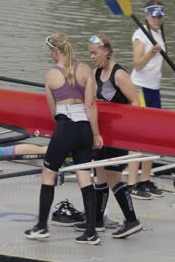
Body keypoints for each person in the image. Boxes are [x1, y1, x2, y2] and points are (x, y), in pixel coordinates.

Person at [24, 32, 103, 245]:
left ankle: (41, 227)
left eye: (51, 52)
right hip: (85, 129)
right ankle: (91, 232)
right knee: (85, 177)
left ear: (55, 51)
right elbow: (91, 106)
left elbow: (53, 111)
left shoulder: (51, 75)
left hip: (65, 128)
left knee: (48, 173)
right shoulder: (86, 70)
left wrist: (62, 134)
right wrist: (96, 134)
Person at [72, 33, 142, 239]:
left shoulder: (119, 75)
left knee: (113, 177)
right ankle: (98, 220)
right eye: (90, 54)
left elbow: (135, 103)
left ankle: (131, 220)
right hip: (102, 134)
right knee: (99, 174)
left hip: (118, 134)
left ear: (107, 51)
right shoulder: (95, 74)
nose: (92, 57)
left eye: (95, 53)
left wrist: (125, 128)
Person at [128, 0, 175, 199]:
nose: (157, 20)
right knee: (138, 139)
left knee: (152, 137)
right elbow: (138, 64)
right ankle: (132, 184)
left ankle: (145, 180)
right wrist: (151, 53)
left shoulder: (158, 33)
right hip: (140, 89)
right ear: (146, 16)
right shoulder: (140, 35)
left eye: (160, 16)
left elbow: (165, 59)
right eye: (154, 16)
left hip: (154, 90)